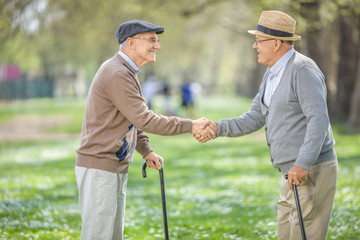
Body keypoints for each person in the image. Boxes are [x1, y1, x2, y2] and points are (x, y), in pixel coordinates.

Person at [195, 10, 338, 240]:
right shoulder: (272, 74)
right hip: (289, 173)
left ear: (276, 43)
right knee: (286, 234)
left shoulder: (303, 70)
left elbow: (318, 120)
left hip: (311, 170)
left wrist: (303, 163)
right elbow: (255, 117)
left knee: (305, 235)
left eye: (259, 41)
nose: (254, 46)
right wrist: (217, 127)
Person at [75, 20, 215, 240]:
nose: (157, 46)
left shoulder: (126, 72)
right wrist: (191, 125)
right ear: (131, 43)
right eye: (151, 40)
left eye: (156, 41)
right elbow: (146, 119)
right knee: (97, 236)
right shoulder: (118, 73)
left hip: (112, 167)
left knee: (112, 236)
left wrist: (146, 150)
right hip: (99, 167)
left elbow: (131, 120)